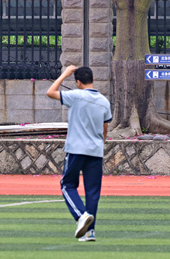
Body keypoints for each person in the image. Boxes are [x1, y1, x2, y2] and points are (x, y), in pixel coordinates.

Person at [46, 65, 112, 242]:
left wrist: (64, 74)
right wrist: (100, 144)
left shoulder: (75, 96)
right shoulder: (104, 101)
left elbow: (50, 92)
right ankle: (90, 232)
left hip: (76, 148)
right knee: (92, 192)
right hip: (95, 150)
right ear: (93, 80)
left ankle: (80, 215)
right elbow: (105, 128)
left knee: (67, 185)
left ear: (77, 82)